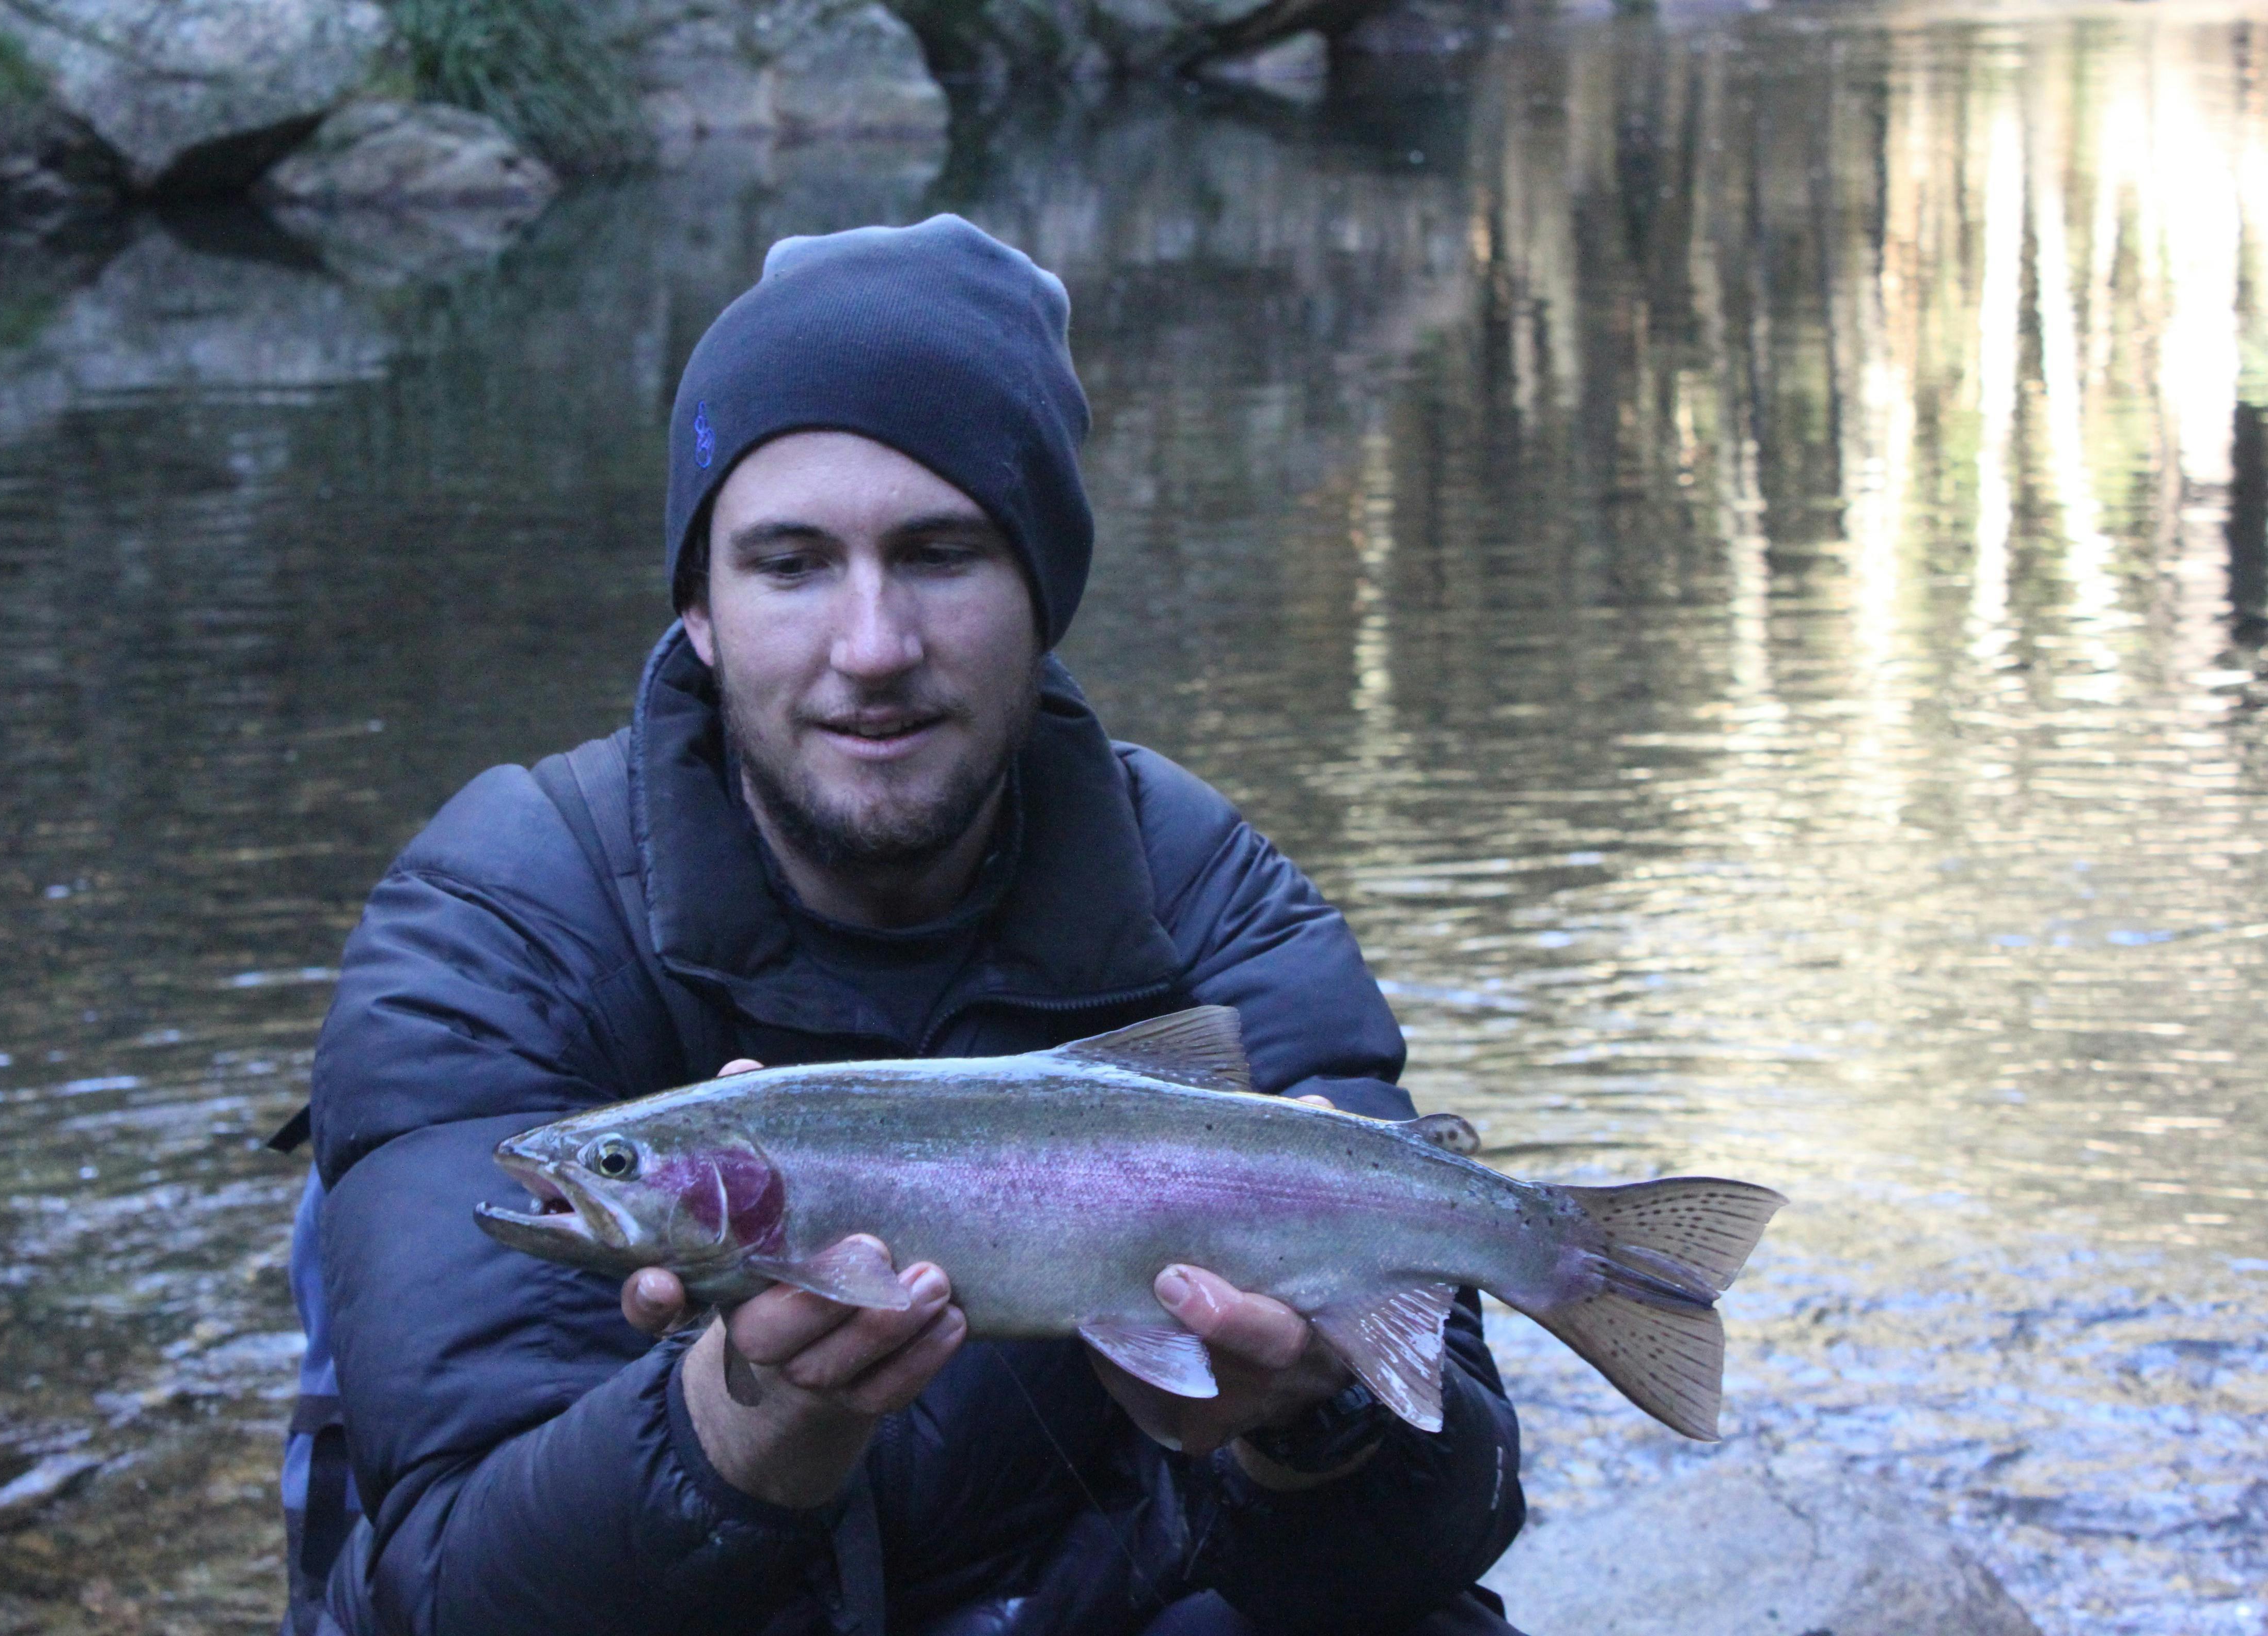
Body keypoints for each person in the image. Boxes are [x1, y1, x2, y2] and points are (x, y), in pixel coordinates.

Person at [275, 215, 1526, 1636]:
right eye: (791, 566)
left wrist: (1307, 1431)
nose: (871, 647)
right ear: (699, 608)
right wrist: (735, 1429)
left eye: (939, 555)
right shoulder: (497, 924)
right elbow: (446, 1594)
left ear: (1041, 596)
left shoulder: (1216, 908)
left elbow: (1441, 1530)